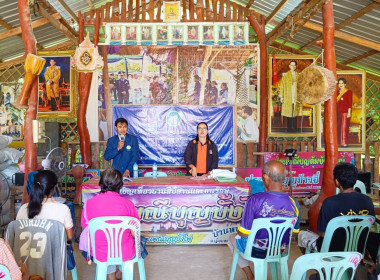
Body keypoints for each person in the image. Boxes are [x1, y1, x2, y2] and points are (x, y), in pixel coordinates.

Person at [227, 160, 300, 280]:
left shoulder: (255, 200)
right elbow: (294, 232)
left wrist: (238, 234)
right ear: (283, 178)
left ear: (265, 177)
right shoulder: (294, 202)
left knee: (231, 238)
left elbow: (244, 233)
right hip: (280, 249)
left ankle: (250, 276)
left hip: (257, 250)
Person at [298, 162, 375, 252]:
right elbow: (370, 225)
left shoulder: (329, 202)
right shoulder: (367, 201)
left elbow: (322, 233)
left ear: (337, 181)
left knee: (301, 234)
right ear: (355, 180)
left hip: (331, 249)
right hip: (357, 248)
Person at [81, 168, 140, 280]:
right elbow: (134, 233)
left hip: (100, 252)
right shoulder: (128, 204)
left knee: (104, 244)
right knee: (130, 243)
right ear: (120, 185)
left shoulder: (89, 204)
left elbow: (86, 227)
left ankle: (111, 275)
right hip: (124, 252)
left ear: (101, 183)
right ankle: (120, 273)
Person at [16, 170, 74, 240]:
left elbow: (18, 234)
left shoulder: (23, 208)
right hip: (54, 250)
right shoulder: (63, 209)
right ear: (54, 189)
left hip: (28, 250)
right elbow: (69, 237)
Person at [279, 60, 302, 132]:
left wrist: (301, 96)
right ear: (289, 66)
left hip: (296, 95)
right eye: (292, 65)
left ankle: (294, 128)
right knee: (289, 112)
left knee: (295, 112)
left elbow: (301, 87)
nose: (293, 67)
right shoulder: (286, 76)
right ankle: (289, 128)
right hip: (288, 95)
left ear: (296, 66)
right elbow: (282, 86)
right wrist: (281, 96)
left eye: (294, 65)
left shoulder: (299, 75)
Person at [337, 78, 353, 147]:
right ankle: (338, 142)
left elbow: (350, 103)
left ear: (345, 84)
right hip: (337, 113)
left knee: (344, 127)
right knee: (338, 127)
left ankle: (344, 143)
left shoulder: (348, 92)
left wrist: (349, 112)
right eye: (339, 83)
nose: (340, 85)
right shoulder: (337, 92)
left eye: (342, 83)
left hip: (345, 112)